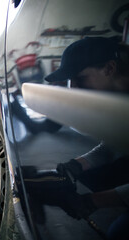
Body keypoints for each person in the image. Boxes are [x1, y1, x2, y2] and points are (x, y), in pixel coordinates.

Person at [45, 36, 129, 240]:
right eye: (69, 80)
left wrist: (93, 201)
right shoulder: (117, 97)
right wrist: (77, 165)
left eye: (80, 78)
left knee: (119, 233)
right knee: (94, 174)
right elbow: (118, 144)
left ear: (109, 68)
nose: (72, 87)